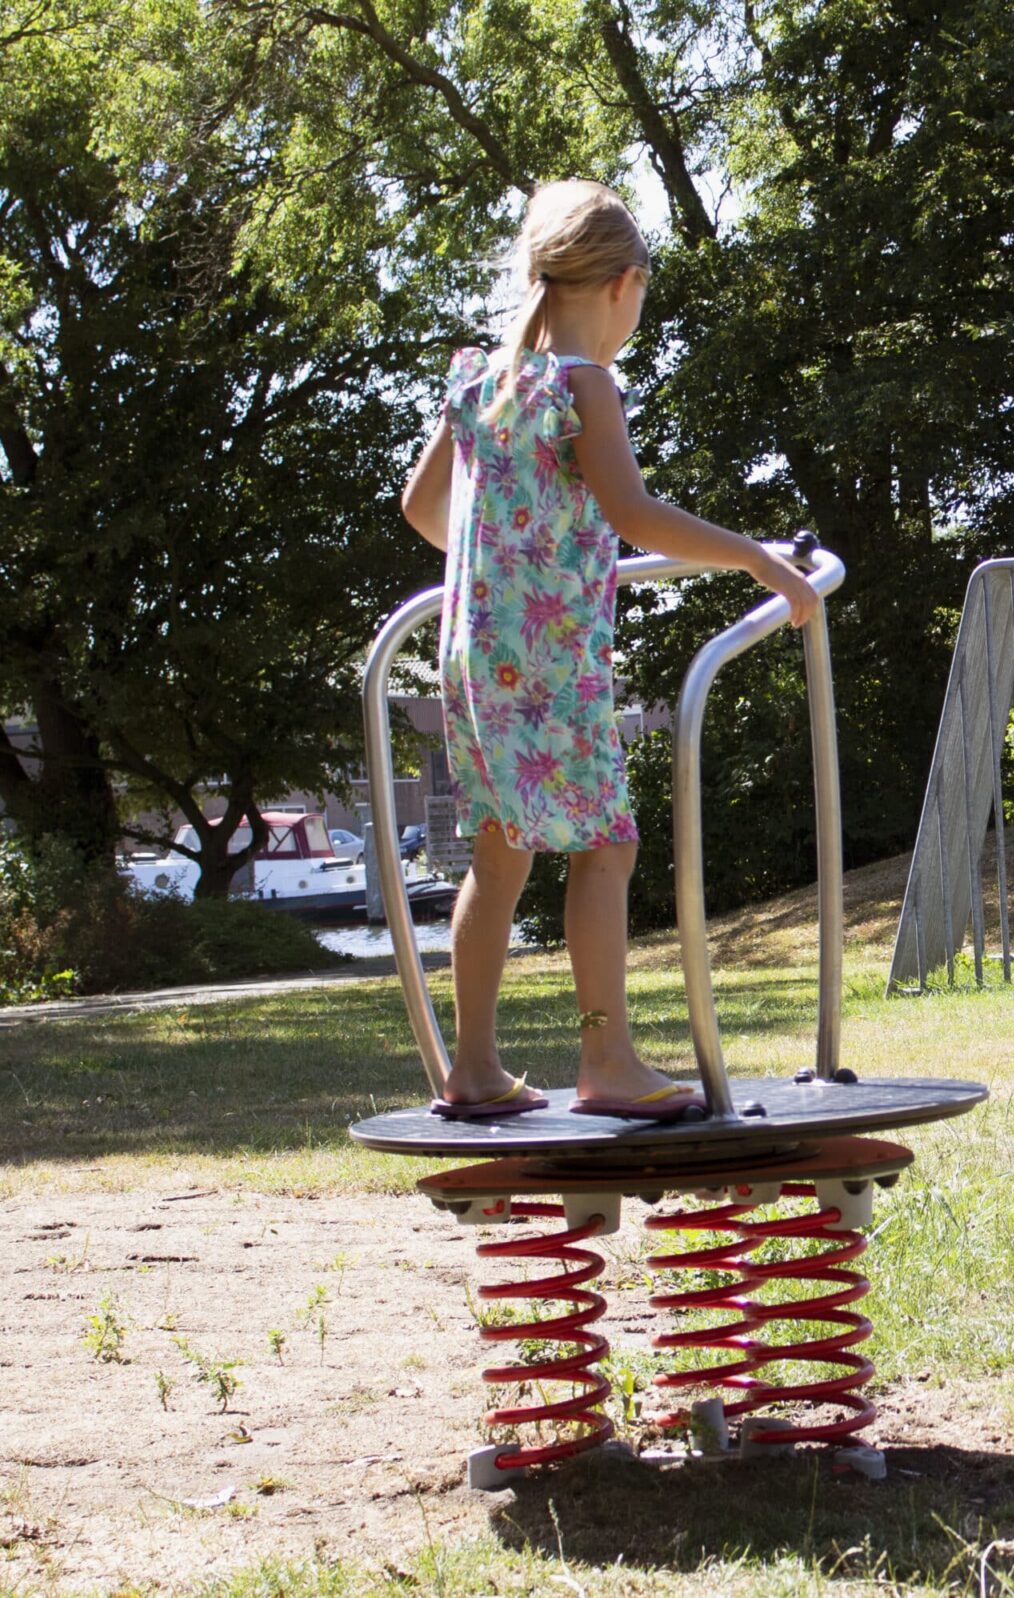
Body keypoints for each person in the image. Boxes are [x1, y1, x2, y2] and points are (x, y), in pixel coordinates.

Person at [399, 179, 818, 1120]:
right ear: (625, 285)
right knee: (607, 846)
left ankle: (471, 1068)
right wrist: (757, 559)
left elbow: (425, 512)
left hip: (472, 654)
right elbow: (631, 513)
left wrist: (509, 558)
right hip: (549, 663)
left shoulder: (484, 381)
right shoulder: (587, 384)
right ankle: (608, 1060)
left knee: (500, 850)